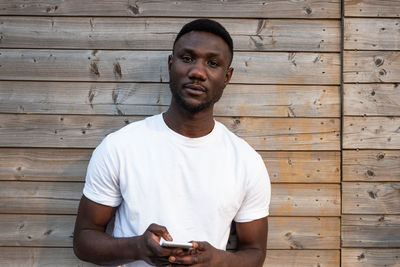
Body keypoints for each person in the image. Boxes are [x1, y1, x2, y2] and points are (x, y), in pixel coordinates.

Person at [73, 19, 271, 267]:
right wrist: (137, 247)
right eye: (187, 58)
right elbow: (83, 240)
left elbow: (255, 252)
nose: (198, 72)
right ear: (170, 64)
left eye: (212, 63)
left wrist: (218, 261)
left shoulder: (246, 162)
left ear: (227, 76)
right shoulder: (120, 147)